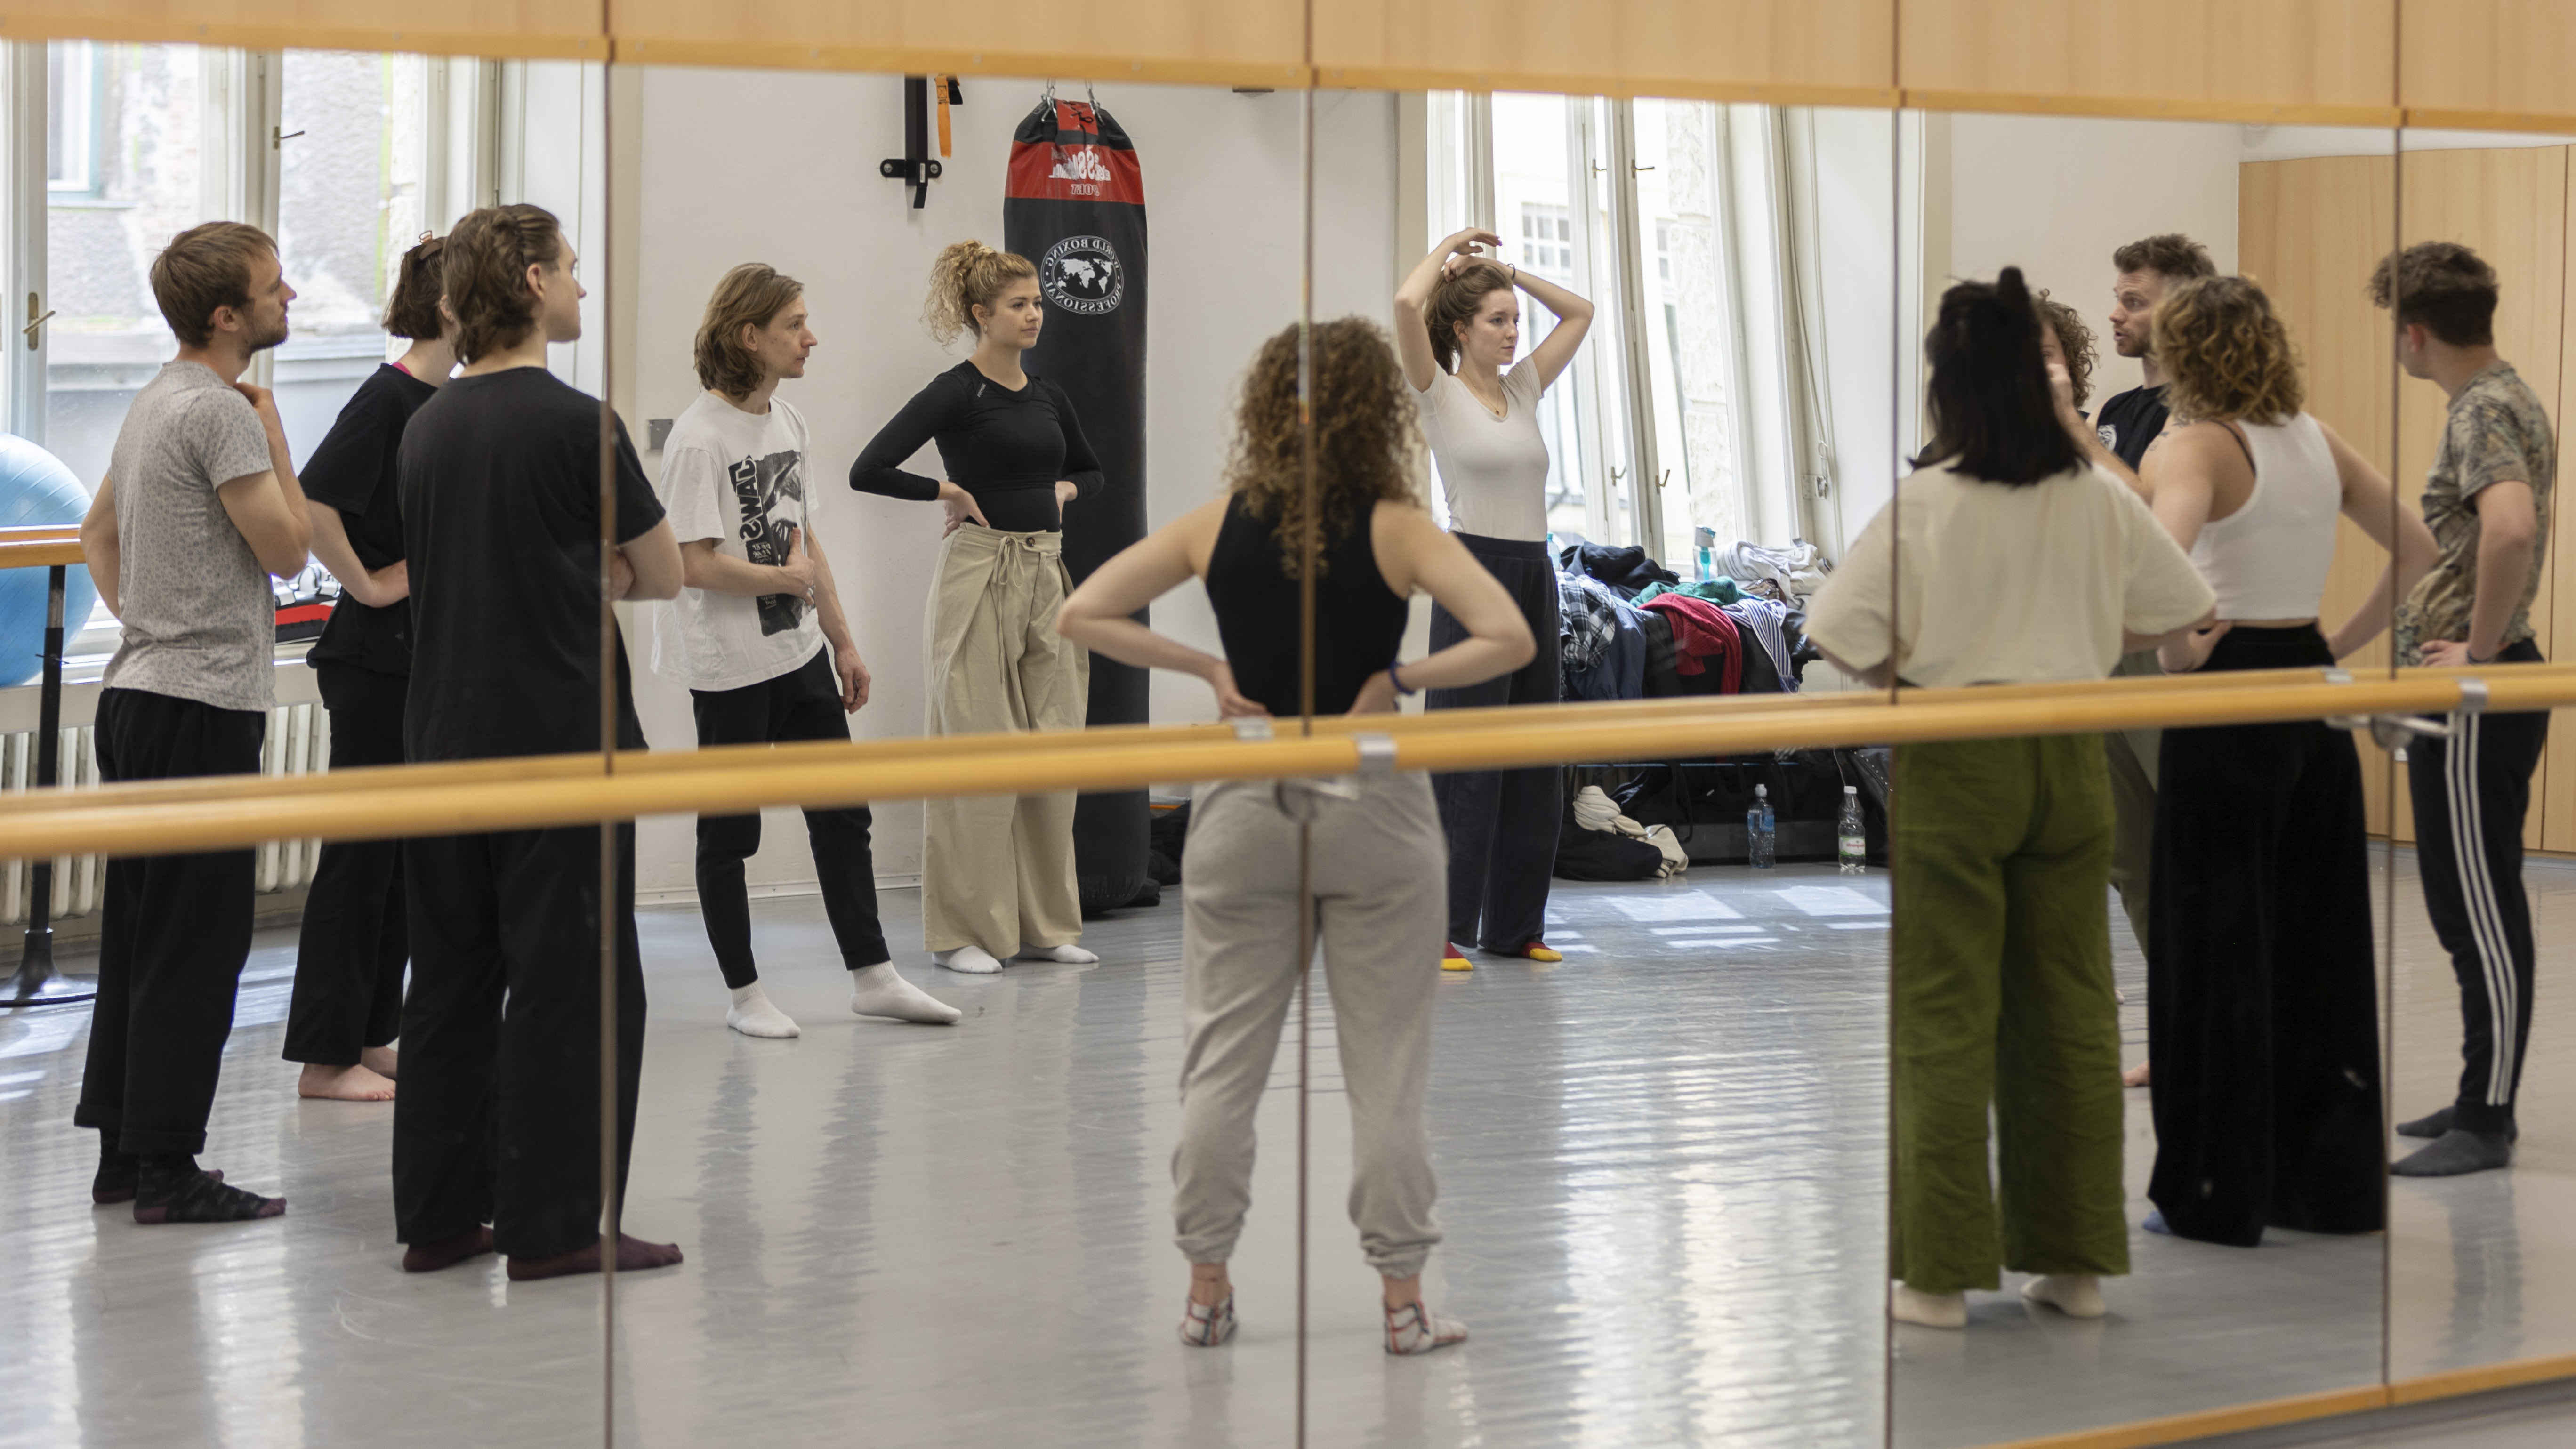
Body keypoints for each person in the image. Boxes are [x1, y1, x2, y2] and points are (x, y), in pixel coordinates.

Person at [1055, 316, 1534, 1355]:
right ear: (1374, 412)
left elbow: (1081, 613)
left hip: (1247, 801)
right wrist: (1400, 676)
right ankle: (1404, 1305)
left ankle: (1206, 1292)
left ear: (1268, 407)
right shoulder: (1400, 527)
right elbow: (1510, 634)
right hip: (1374, 802)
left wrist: (1207, 670)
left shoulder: (1217, 522)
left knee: (1221, 1065)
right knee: (1386, 1070)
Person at [1804, 267, 2215, 1330]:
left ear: (1950, 384)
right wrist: (2081, 634)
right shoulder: (2092, 491)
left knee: (1945, 1010)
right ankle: (2072, 1266)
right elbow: (2178, 607)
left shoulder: (1933, 499)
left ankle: (1939, 1277)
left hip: (1958, 755)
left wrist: (1915, 667)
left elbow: (1837, 634)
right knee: (2071, 1003)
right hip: (2069, 755)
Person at [390, 203, 687, 1280]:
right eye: (569, 268)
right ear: (530, 282)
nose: (581, 286)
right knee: (576, 984)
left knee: (450, 981)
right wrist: (592, 573)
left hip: (442, 738)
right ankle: (556, 1227)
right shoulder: (580, 426)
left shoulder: (426, 426)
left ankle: (437, 1217)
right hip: (562, 739)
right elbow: (663, 574)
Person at [2139, 275, 2437, 1246]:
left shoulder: (2199, 445)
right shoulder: (2315, 439)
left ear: (2187, 353)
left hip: (2230, 697)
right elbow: (2419, 546)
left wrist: (2176, 648)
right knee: (2317, 943)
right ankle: (2324, 1186)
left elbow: (2157, 569)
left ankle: (2218, 1190)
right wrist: (2334, 645)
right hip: (2308, 688)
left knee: (2216, 939)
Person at [73, 221, 313, 1224]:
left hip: (138, 697)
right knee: (199, 945)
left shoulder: (153, 401)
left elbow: (95, 532)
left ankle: (125, 1158)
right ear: (226, 317)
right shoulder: (220, 412)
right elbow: (290, 551)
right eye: (273, 285)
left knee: (142, 935)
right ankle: (169, 1171)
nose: (290, 296)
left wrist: (150, 619)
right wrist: (278, 442)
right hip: (199, 708)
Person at [652, 263, 958, 1038]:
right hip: (729, 669)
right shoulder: (697, 439)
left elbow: (807, 540)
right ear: (750, 336)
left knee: (842, 814)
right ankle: (745, 996)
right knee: (731, 835)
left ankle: (874, 977)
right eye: (795, 324)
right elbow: (690, 564)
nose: (810, 337)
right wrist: (780, 580)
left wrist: (843, 641)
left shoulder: (787, 421)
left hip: (799, 655)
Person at [850, 240, 1101, 976]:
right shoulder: (957, 392)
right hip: (979, 573)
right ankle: (962, 931)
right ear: (981, 314)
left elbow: (1091, 469)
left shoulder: (1049, 394)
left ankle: (1044, 924)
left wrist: (1066, 489)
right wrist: (947, 491)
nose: (1035, 315)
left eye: (1038, 303)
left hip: (1046, 573)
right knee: (977, 750)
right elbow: (869, 468)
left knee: (1054, 749)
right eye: (1019, 305)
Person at [2375, 242, 2557, 1178]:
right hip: (2467, 686)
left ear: (2415, 334)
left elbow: (2510, 529)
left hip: (2477, 690)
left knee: (2478, 904)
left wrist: (2478, 657)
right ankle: (2479, 1091)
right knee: (2461, 900)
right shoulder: (2500, 395)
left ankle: (2487, 1118)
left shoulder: (2483, 408)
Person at [1391, 229, 1594, 971]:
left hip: (1536, 574)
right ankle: (1440, 927)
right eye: (1497, 320)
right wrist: (1453, 247)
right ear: (1460, 329)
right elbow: (1405, 302)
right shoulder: (1437, 392)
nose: (1513, 333)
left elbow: (1582, 312)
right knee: (1465, 760)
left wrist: (1509, 271)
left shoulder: (1524, 388)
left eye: (1515, 321)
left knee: (1534, 758)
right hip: (1472, 572)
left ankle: (1516, 927)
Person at [280, 233, 450, 1103]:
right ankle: (324, 1057)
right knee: (360, 860)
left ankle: (370, 1033)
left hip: (418, 662)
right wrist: (374, 584)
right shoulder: (389, 397)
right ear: (453, 305)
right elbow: (314, 501)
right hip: (374, 660)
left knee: (402, 863)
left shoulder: (445, 402)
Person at [2095, 233, 2219, 1090]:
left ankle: (2224, 1028)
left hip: (2173, 651)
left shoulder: (2205, 414)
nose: (2116, 313)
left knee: (2193, 850)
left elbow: (2152, 529)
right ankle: (2182, 1027)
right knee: (2131, 856)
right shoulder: (2117, 411)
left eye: (2135, 301)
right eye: (2117, 297)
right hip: (2106, 646)